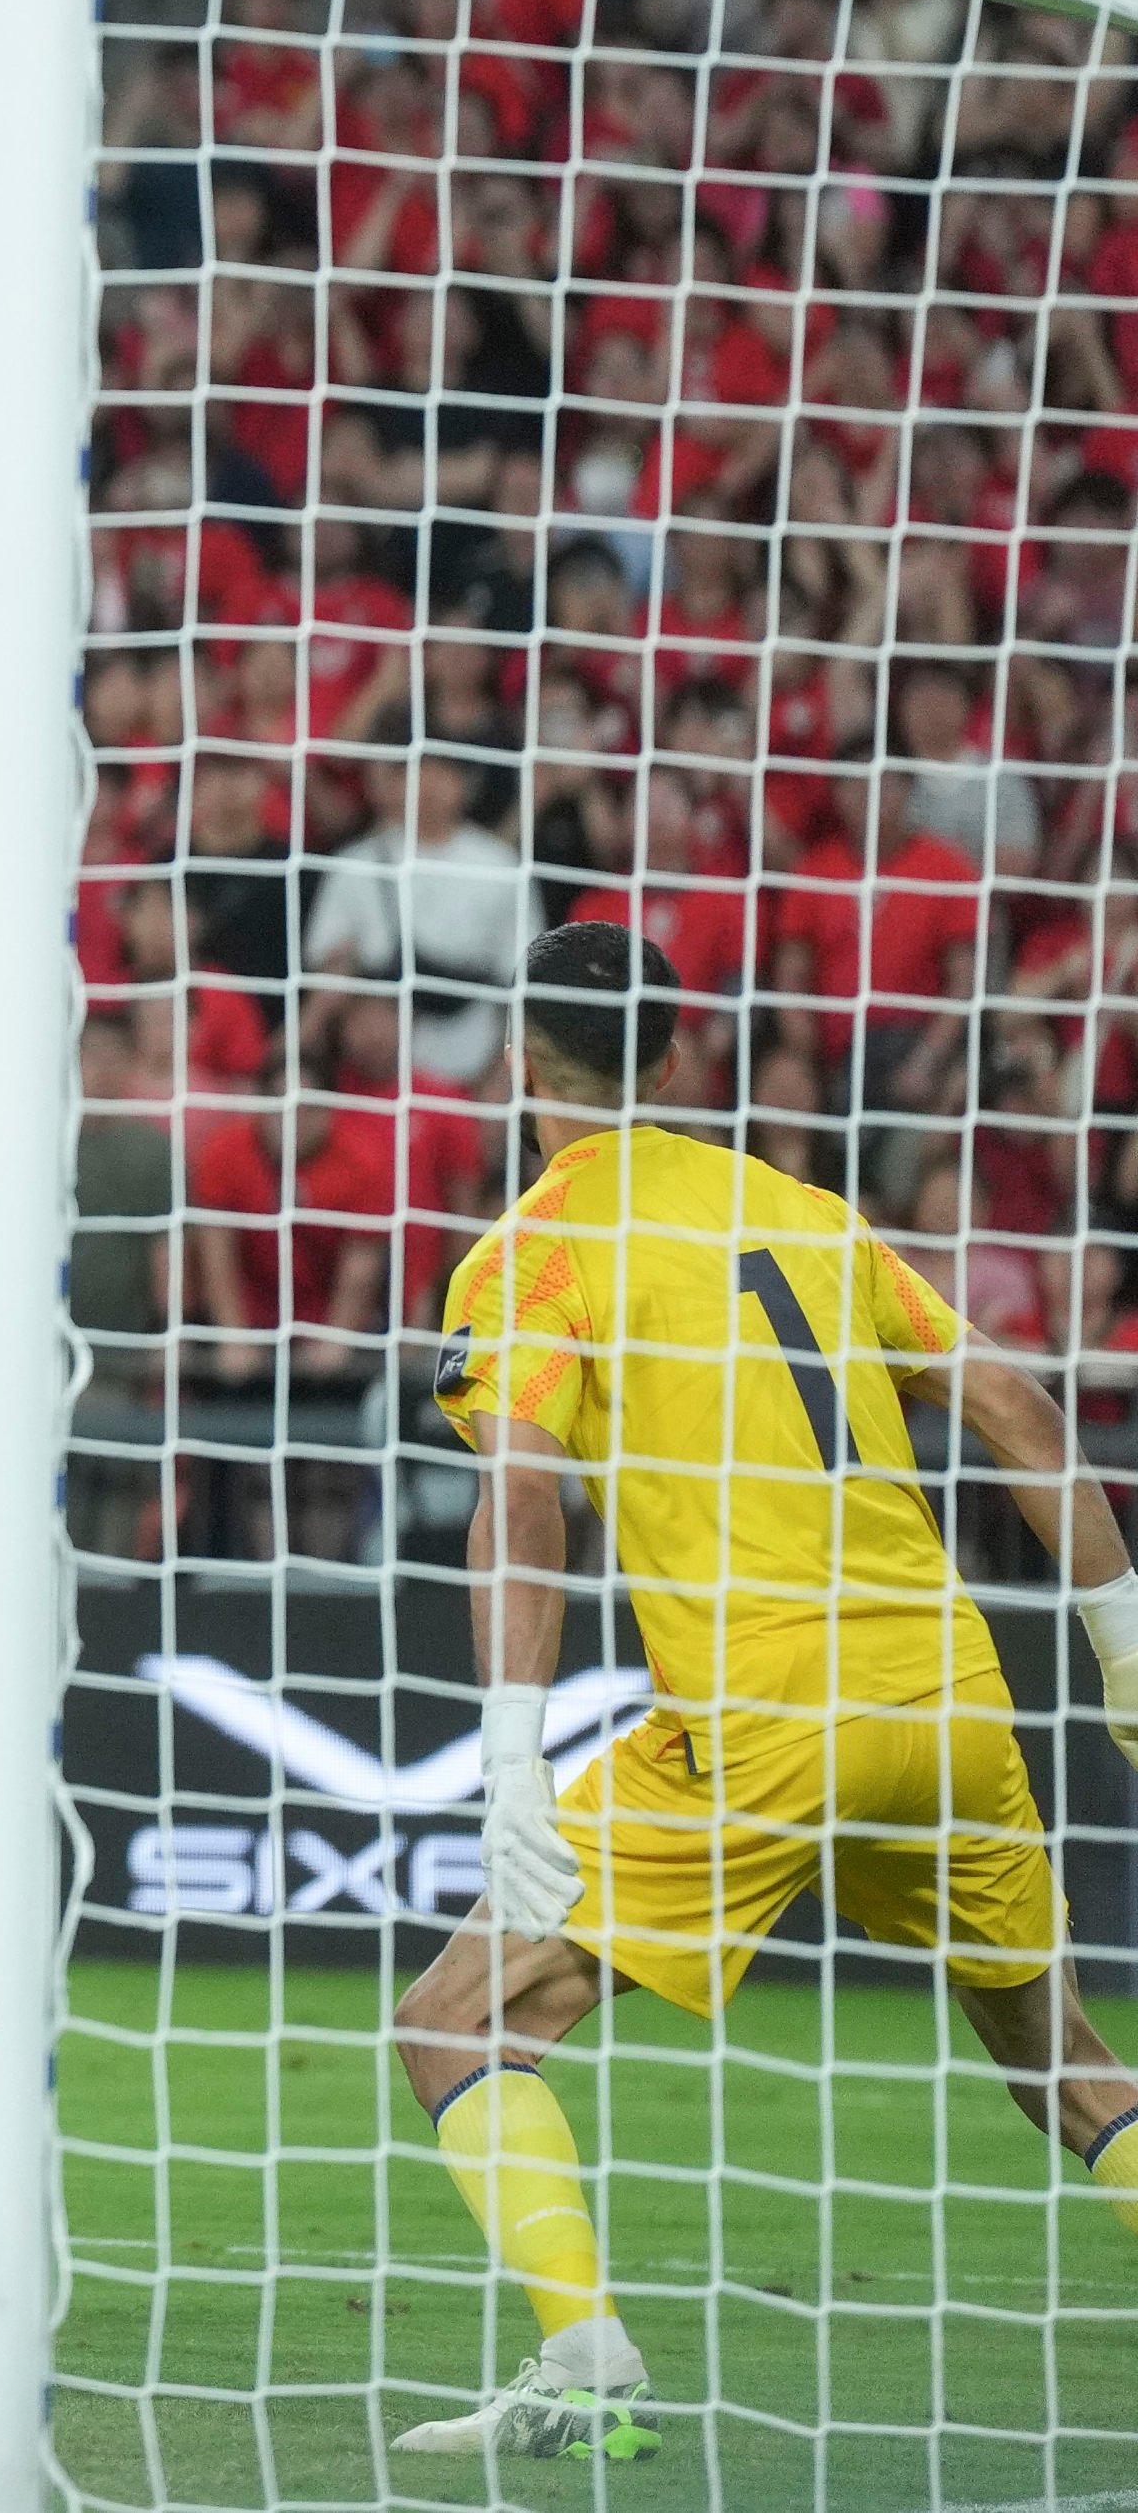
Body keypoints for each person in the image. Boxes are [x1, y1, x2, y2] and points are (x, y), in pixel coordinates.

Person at [394, 921, 1138, 2460]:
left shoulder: (530, 1249)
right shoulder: (801, 1211)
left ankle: (584, 2353)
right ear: (668, 1061)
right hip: (947, 1695)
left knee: (449, 2026)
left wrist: (514, 1750)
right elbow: (1012, 1400)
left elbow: (517, 1499)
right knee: (1069, 2074)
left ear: (517, 1061)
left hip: (756, 1710)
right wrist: (1121, 1642)